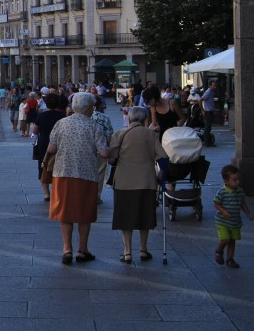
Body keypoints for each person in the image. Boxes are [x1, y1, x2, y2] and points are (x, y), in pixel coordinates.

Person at [41, 92, 109, 264]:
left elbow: (51, 148)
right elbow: (103, 152)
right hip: (86, 174)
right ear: (87, 108)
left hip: (62, 173)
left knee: (66, 213)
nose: (93, 109)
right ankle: (82, 249)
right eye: (92, 106)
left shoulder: (61, 124)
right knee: (84, 214)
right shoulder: (94, 126)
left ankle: (67, 249)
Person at [108, 107, 165, 264]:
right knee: (144, 215)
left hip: (124, 181)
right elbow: (162, 156)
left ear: (130, 119)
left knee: (126, 217)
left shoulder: (119, 134)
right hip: (146, 181)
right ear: (145, 119)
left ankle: (127, 252)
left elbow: (112, 159)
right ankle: (143, 249)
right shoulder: (151, 135)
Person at [214, 164, 254, 268]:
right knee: (225, 239)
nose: (238, 182)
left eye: (238, 179)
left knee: (232, 241)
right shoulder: (222, 192)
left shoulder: (240, 191)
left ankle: (230, 259)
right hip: (222, 222)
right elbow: (216, 204)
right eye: (234, 180)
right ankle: (219, 251)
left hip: (235, 222)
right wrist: (223, 211)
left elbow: (242, 203)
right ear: (226, 181)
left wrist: (248, 213)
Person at [33, 93, 65, 201]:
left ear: (46, 103)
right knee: (59, 165)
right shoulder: (62, 116)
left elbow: (35, 131)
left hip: (44, 142)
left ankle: (47, 193)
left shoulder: (41, 115)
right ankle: (57, 189)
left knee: (44, 165)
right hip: (60, 143)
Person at [90, 92, 115, 204]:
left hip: (86, 148)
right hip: (101, 149)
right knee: (99, 173)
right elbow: (109, 137)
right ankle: (96, 196)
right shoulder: (104, 118)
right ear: (100, 105)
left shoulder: (85, 116)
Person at [200, 80, 218, 146]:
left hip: (210, 111)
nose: (215, 87)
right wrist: (202, 110)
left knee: (209, 127)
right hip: (207, 112)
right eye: (214, 85)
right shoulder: (208, 92)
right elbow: (200, 100)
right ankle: (207, 143)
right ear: (210, 86)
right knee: (207, 127)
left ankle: (207, 141)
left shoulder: (212, 92)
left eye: (215, 85)